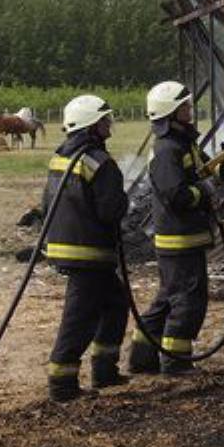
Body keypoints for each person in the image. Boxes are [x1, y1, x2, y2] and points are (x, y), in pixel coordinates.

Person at [129, 81, 224, 375]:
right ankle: (176, 363)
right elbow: (177, 196)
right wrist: (205, 190)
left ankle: (142, 357)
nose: (190, 110)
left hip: (184, 236)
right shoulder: (167, 150)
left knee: (167, 298)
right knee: (188, 301)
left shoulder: (183, 144)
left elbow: (207, 173)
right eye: (185, 107)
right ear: (171, 112)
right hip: (179, 238)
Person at [43, 95, 129, 402]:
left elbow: (46, 204)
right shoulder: (100, 163)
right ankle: (62, 385)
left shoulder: (60, 157)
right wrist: (123, 200)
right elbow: (111, 211)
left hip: (68, 246)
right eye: (104, 120)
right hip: (89, 252)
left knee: (116, 303)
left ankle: (105, 371)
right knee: (79, 318)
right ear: (91, 126)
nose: (109, 125)